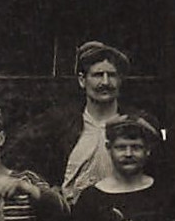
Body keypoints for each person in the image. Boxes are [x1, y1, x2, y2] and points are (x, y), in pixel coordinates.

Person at [10, 41, 141, 205]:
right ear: (82, 80)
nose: (106, 82)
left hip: (123, 214)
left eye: (112, 75)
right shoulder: (61, 123)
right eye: (98, 75)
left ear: (120, 80)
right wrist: (45, 188)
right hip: (72, 218)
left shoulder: (136, 123)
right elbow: (18, 154)